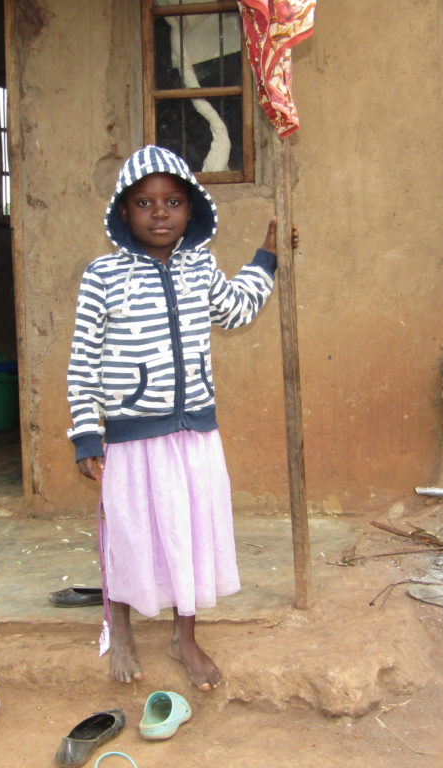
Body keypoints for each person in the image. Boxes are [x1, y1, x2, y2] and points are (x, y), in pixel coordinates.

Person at [67, 145, 290, 691]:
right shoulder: (103, 275)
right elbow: (82, 361)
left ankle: (183, 635)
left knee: (188, 531)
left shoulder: (200, 267)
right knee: (131, 531)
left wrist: (268, 255)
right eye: (145, 203)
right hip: (130, 434)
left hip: (194, 431)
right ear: (124, 211)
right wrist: (85, 431)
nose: (159, 213)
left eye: (172, 202)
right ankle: (118, 625)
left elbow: (237, 309)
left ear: (192, 209)